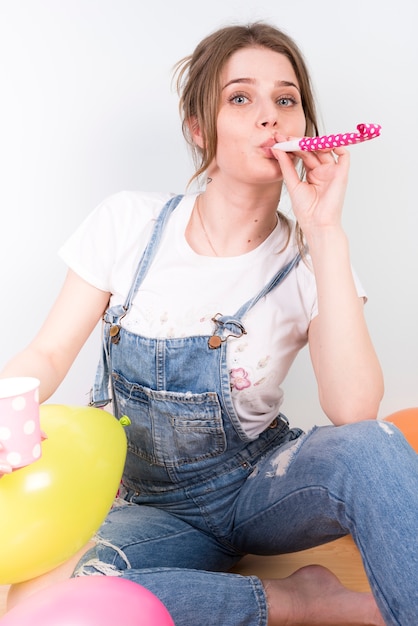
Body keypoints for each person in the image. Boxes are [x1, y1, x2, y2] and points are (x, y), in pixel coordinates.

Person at [1, 22, 417, 626]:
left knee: (376, 447)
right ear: (199, 128)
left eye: (287, 100)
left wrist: (325, 231)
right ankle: (299, 602)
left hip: (262, 488)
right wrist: (8, 415)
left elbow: (355, 409)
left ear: (305, 127)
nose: (270, 116)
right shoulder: (128, 224)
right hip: (148, 506)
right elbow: (48, 352)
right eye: (241, 98)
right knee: (45, 603)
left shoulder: (308, 259)